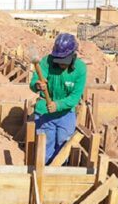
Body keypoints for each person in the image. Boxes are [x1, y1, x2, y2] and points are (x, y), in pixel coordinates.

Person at [29, 33, 86, 164]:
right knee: (45, 147)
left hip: (66, 114)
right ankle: (44, 174)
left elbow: (75, 97)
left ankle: (59, 173)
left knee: (63, 146)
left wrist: (58, 105)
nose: (61, 65)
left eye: (64, 62)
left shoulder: (80, 69)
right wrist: (37, 84)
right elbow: (34, 83)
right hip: (45, 112)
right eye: (58, 61)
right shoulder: (46, 62)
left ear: (73, 56)